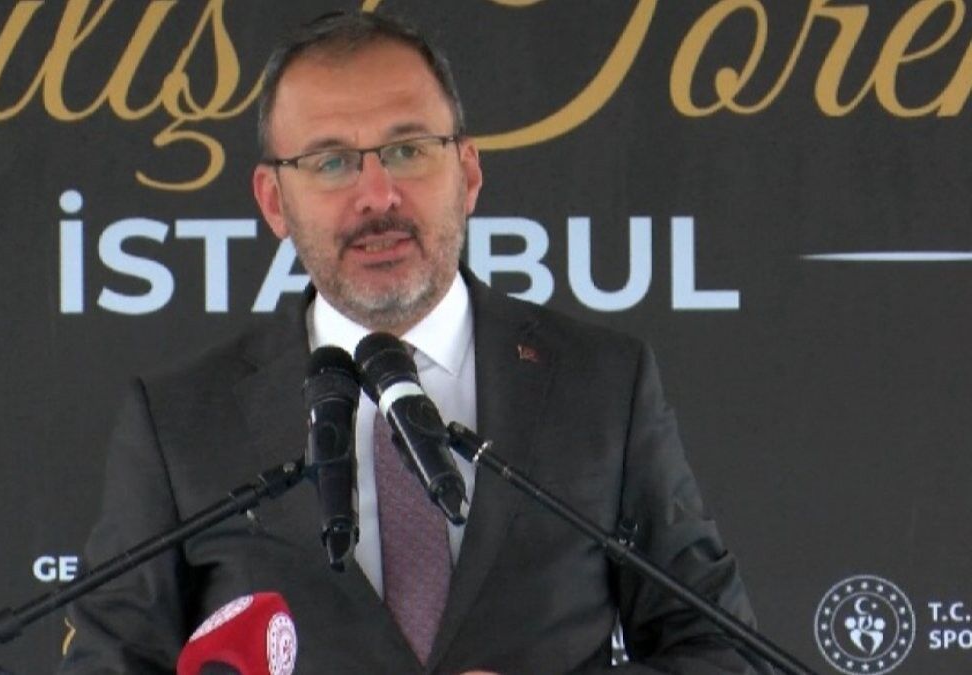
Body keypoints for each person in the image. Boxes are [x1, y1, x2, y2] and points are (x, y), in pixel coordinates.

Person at [59, 11, 761, 674]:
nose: (378, 195)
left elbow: (723, 652)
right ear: (274, 201)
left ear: (469, 172)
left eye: (407, 150)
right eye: (331, 162)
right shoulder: (181, 422)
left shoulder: (602, 384)